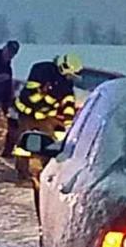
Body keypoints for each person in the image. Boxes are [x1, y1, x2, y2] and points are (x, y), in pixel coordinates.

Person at [13, 52, 84, 195]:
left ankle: (45, 171)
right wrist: (39, 110)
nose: (70, 77)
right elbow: (32, 96)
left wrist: (68, 119)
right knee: (25, 144)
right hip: (28, 111)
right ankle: (23, 173)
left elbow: (68, 100)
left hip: (46, 115)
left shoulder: (65, 80)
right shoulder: (41, 70)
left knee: (48, 143)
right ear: (64, 66)